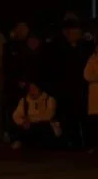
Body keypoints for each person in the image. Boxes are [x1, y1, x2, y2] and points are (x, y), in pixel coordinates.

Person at [47, 19, 94, 149]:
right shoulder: (60, 48)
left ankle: (88, 143)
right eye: (69, 31)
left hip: (82, 88)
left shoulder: (85, 47)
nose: (72, 33)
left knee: (85, 117)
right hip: (66, 88)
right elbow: (56, 69)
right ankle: (74, 142)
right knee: (69, 117)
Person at [10, 80, 60, 150]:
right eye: (30, 88)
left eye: (34, 88)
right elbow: (16, 115)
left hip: (43, 127)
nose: (32, 90)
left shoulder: (49, 99)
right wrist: (23, 122)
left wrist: (30, 120)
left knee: (43, 127)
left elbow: (49, 116)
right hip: (29, 127)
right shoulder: (24, 101)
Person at [85, 46, 98, 153]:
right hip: (94, 95)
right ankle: (94, 145)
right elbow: (87, 75)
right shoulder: (92, 60)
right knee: (94, 122)